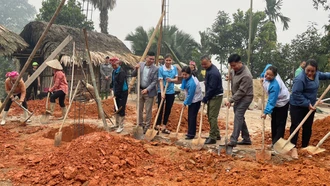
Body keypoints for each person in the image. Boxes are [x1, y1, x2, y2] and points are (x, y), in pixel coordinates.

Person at [289, 59, 330, 159]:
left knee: (307, 127)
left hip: (310, 106)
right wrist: (307, 103)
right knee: (296, 125)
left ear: (316, 70)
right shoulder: (300, 79)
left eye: (312, 71)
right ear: (305, 69)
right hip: (297, 105)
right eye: (308, 70)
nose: (310, 73)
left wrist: (310, 104)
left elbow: (325, 75)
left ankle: (305, 147)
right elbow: (296, 93)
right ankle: (293, 148)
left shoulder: (317, 75)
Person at [225, 54, 253, 147]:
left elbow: (242, 91)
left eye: (234, 65)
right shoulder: (233, 70)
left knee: (238, 115)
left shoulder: (246, 75)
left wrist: (230, 100)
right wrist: (230, 77)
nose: (232, 68)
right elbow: (232, 74)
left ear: (239, 63)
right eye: (231, 66)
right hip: (237, 96)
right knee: (240, 118)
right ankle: (246, 139)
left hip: (246, 97)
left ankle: (233, 140)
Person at [260, 64, 290, 147]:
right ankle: (273, 142)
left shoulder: (275, 85)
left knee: (280, 123)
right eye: (267, 74)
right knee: (274, 122)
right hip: (275, 101)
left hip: (282, 102)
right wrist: (262, 77)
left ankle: (277, 144)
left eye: (271, 75)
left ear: (275, 75)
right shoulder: (267, 71)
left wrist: (265, 112)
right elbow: (268, 66)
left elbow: (272, 101)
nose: (268, 76)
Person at [131, 51, 158, 133]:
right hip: (140, 90)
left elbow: (154, 81)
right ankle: (140, 124)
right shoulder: (140, 65)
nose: (151, 60)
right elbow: (133, 75)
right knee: (139, 108)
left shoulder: (156, 69)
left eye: (153, 59)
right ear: (146, 58)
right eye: (150, 58)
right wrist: (136, 68)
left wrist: (147, 89)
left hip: (149, 92)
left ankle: (146, 127)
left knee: (148, 110)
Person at [200, 55, 223, 144]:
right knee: (210, 115)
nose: (204, 66)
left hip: (215, 96)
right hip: (212, 95)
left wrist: (205, 98)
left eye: (205, 64)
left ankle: (213, 137)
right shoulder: (209, 70)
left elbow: (212, 88)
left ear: (210, 61)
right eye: (202, 65)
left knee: (212, 116)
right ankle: (216, 134)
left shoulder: (213, 72)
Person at [156, 54, 178, 134]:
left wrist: (171, 80)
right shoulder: (161, 69)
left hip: (171, 91)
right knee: (160, 108)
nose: (168, 62)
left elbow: (176, 79)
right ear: (164, 60)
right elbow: (161, 81)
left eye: (170, 60)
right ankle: (157, 125)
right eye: (167, 60)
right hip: (162, 90)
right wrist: (162, 92)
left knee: (168, 109)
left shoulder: (174, 68)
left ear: (171, 61)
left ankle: (164, 126)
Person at [180, 66, 203, 139]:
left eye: (185, 75)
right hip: (191, 99)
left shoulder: (192, 82)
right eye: (182, 74)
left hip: (196, 100)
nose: (184, 76)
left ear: (189, 74)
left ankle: (191, 134)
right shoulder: (186, 79)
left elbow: (191, 95)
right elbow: (183, 86)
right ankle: (190, 132)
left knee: (192, 117)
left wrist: (185, 103)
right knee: (190, 117)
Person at [111, 57, 128, 133]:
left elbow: (120, 84)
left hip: (122, 92)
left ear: (117, 64)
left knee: (121, 108)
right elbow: (113, 81)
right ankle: (117, 124)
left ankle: (121, 126)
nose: (113, 66)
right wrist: (111, 86)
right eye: (112, 65)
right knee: (116, 108)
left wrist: (116, 94)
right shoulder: (114, 71)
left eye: (114, 65)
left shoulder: (121, 72)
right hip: (117, 91)